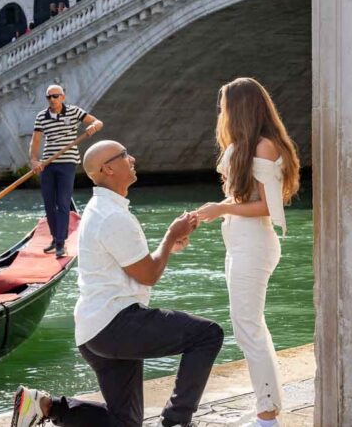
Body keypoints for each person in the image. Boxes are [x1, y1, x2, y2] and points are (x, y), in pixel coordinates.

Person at [12, 140, 224, 427]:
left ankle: (47, 406)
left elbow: (133, 266)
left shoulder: (102, 209)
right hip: (116, 324)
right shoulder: (113, 216)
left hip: (95, 329)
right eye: (124, 155)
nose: (132, 158)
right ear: (108, 168)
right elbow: (147, 274)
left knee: (125, 423)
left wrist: (168, 246)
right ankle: (176, 421)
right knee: (208, 335)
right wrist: (171, 235)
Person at [194, 78, 300, 427]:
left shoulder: (264, 147)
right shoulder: (246, 145)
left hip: (254, 245)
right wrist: (210, 212)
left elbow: (270, 207)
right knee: (248, 328)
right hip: (239, 243)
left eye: (224, 106)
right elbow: (242, 200)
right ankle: (266, 405)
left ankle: (267, 415)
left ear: (239, 109)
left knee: (249, 329)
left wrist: (222, 209)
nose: (221, 113)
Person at [29, 84, 103, 259]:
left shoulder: (74, 112)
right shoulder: (41, 116)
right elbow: (36, 141)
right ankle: (56, 238)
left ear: (63, 97)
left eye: (56, 96)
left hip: (67, 163)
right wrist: (33, 160)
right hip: (48, 164)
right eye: (49, 97)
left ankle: (61, 244)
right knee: (49, 204)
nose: (52, 100)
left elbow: (98, 122)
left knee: (62, 203)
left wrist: (93, 126)